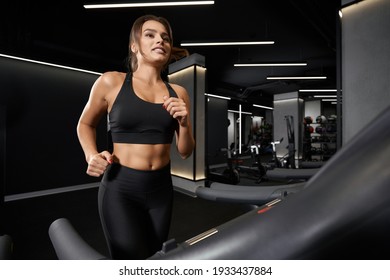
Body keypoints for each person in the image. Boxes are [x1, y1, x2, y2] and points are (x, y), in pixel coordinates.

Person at [76, 14, 195, 259]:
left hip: (162, 189)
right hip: (121, 188)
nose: (159, 40)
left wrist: (183, 123)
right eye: (150, 35)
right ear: (134, 45)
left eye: (165, 37)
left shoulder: (179, 92)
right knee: (129, 261)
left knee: (155, 258)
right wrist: (91, 154)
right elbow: (85, 124)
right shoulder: (111, 82)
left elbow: (185, 150)